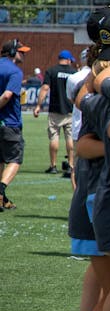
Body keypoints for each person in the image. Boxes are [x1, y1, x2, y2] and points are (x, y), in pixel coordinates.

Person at [0, 39, 31, 211]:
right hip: (9, 123)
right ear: (12, 52)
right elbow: (6, 96)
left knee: (0, 160)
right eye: (21, 52)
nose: (23, 55)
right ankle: (1, 190)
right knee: (15, 159)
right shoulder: (15, 71)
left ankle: (2, 199)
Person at [36, 49, 77, 177]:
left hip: (55, 109)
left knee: (54, 137)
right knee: (70, 138)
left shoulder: (51, 71)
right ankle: (71, 165)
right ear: (69, 59)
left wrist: (38, 105)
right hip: (70, 109)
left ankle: (53, 166)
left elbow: (45, 88)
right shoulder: (73, 72)